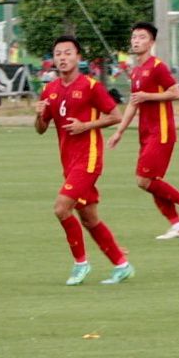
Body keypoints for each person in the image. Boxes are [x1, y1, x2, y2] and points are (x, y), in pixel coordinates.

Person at [35, 37, 133, 286]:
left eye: (68, 53)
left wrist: (86, 125)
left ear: (78, 57)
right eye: (58, 53)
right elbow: (41, 129)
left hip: (88, 160)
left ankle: (81, 263)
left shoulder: (90, 86)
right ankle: (122, 265)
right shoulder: (50, 89)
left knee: (61, 208)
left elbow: (115, 116)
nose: (62, 57)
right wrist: (38, 115)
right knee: (89, 218)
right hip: (68, 163)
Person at [108, 22, 179, 240]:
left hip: (162, 131)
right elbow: (133, 103)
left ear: (151, 42)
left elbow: (176, 92)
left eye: (141, 37)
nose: (136, 41)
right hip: (145, 133)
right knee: (152, 181)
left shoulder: (157, 66)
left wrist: (148, 96)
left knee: (144, 180)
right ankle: (177, 225)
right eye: (134, 37)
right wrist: (119, 131)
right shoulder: (136, 71)